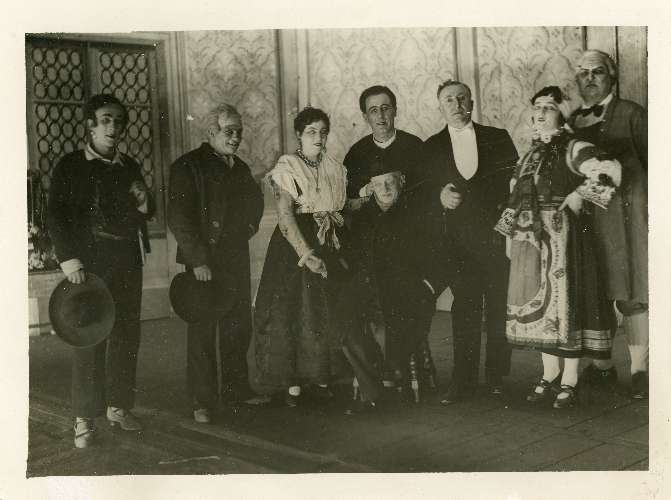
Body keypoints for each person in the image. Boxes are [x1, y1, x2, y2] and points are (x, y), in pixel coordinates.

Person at [495, 86, 621, 408]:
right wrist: (508, 236)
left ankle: (570, 379)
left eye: (549, 107)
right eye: (536, 107)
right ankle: (549, 373)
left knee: (566, 307)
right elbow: (514, 196)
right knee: (540, 309)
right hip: (529, 241)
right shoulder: (529, 154)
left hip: (564, 238)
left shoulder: (574, 147)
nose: (540, 112)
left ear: (562, 114)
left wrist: (579, 195)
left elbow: (609, 169)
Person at [47, 93, 154, 448]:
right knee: (89, 335)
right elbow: (56, 215)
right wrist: (70, 260)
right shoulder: (70, 166)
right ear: (90, 125)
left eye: (119, 121)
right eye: (106, 120)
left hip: (127, 260)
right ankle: (84, 418)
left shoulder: (129, 165)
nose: (113, 127)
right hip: (89, 265)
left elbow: (143, 211)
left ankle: (118, 407)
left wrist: (144, 202)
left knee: (126, 333)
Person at [422, 79, 518, 404]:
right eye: (449, 99)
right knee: (465, 307)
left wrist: (505, 229)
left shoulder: (498, 138)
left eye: (462, 98)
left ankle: (496, 378)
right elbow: (419, 193)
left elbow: (517, 187)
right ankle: (462, 381)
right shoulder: (431, 147)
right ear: (440, 107)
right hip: (457, 245)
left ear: (472, 103)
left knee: (498, 307)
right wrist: (437, 196)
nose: (457, 104)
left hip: (495, 239)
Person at [167, 103, 264, 424]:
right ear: (211, 132)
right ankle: (202, 401)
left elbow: (255, 204)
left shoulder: (241, 168)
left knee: (238, 325)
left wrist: (248, 228)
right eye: (229, 131)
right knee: (203, 331)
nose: (236, 138)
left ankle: (237, 390)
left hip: (235, 257)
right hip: (204, 261)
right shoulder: (188, 166)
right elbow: (179, 218)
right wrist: (198, 261)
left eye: (239, 132)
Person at [334, 160, 454, 413]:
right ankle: (376, 386)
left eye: (390, 182)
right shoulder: (363, 216)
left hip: (409, 292)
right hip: (370, 289)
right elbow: (352, 256)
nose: (385, 188)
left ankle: (382, 382)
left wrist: (429, 287)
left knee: (391, 326)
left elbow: (443, 256)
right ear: (371, 187)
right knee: (344, 321)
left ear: (401, 181)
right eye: (379, 184)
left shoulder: (418, 212)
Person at [253, 107, 348, 407]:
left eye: (323, 132)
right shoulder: (288, 165)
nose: (318, 137)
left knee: (321, 313)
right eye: (311, 132)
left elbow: (340, 209)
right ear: (299, 134)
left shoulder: (334, 166)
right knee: (290, 313)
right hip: (293, 248)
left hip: (326, 241)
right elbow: (285, 217)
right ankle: (292, 386)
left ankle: (320, 379)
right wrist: (306, 254)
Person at [568, 50, 649, 399]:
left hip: (625, 222)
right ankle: (602, 367)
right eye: (583, 73)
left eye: (597, 72)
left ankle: (640, 371)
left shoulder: (632, 114)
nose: (589, 78)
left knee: (631, 295)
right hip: (585, 222)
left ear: (612, 78)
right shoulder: (571, 120)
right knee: (593, 293)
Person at [344, 85, 424, 206]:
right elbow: (346, 192)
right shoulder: (356, 152)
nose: (380, 116)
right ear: (365, 117)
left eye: (385, 108)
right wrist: (364, 191)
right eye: (373, 110)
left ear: (395, 111)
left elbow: (427, 186)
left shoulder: (415, 145)